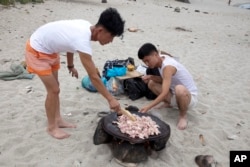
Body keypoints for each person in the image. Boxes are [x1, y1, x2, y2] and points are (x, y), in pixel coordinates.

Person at [25, 8, 125, 139]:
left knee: (56, 88)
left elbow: (69, 43)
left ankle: (58, 119)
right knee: (53, 90)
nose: (111, 41)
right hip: (37, 49)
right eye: (111, 36)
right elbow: (93, 77)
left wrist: (70, 65)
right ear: (100, 30)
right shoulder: (83, 40)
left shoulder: (86, 26)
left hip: (51, 49)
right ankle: (51, 127)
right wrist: (111, 99)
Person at [137, 43, 198, 130]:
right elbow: (165, 79)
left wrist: (148, 106)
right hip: (175, 95)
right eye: (144, 62)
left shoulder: (168, 67)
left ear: (155, 55)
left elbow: (164, 92)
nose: (147, 64)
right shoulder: (160, 57)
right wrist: (151, 77)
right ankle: (169, 103)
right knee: (151, 83)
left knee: (179, 89)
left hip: (189, 98)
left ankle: (183, 116)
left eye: (148, 60)